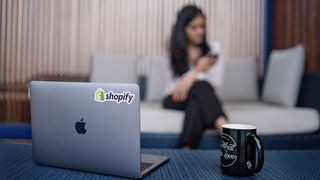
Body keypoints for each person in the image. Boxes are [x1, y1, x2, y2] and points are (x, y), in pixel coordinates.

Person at [162, 5, 228, 149]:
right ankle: (226, 131)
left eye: (202, 26)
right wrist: (196, 72)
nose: (201, 31)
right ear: (183, 29)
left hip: (201, 96)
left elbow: (215, 83)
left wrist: (192, 78)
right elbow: (174, 87)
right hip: (174, 98)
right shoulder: (173, 50)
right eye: (194, 27)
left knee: (196, 101)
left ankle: (186, 148)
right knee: (200, 88)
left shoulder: (214, 49)